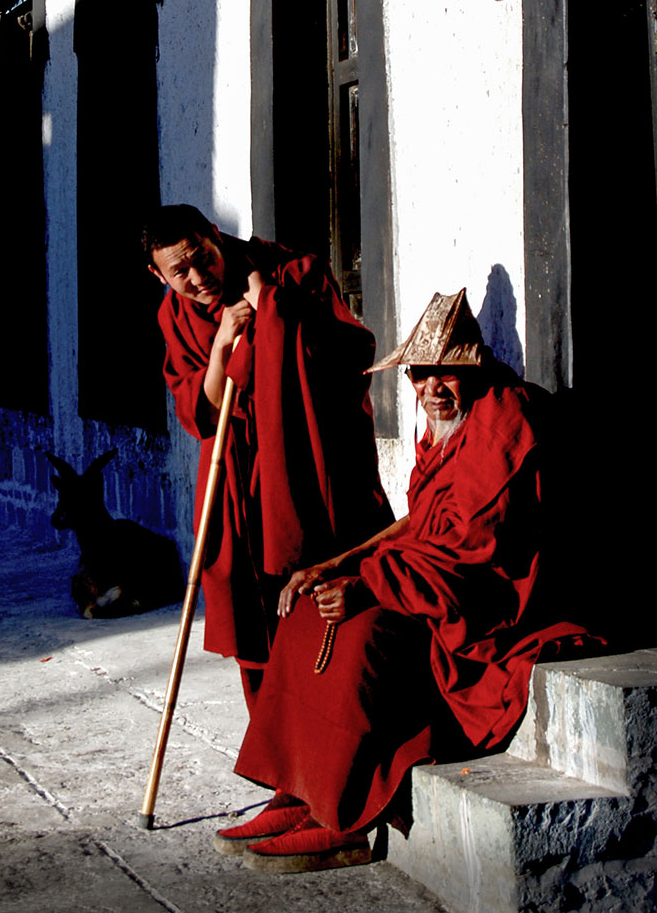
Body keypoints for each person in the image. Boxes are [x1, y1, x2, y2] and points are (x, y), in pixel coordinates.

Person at [221, 289, 599, 872]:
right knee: (303, 612)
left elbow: (476, 548)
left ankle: (342, 817)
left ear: (473, 367)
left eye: (445, 374)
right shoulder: (445, 424)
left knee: (362, 634)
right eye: (420, 376)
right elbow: (419, 523)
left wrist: (369, 585)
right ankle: (297, 790)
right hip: (432, 574)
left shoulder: (504, 421)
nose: (430, 389)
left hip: (488, 599)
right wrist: (337, 564)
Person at [143, 204, 392, 707]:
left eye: (202, 258)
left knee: (327, 596)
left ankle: (340, 737)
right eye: (179, 273)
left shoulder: (294, 274)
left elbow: (351, 355)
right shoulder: (175, 314)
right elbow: (201, 412)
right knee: (253, 610)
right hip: (237, 480)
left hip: (313, 468)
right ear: (157, 275)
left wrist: (273, 307)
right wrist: (220, 347)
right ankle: (278, 754)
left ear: (215, 235)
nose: (198, 278)